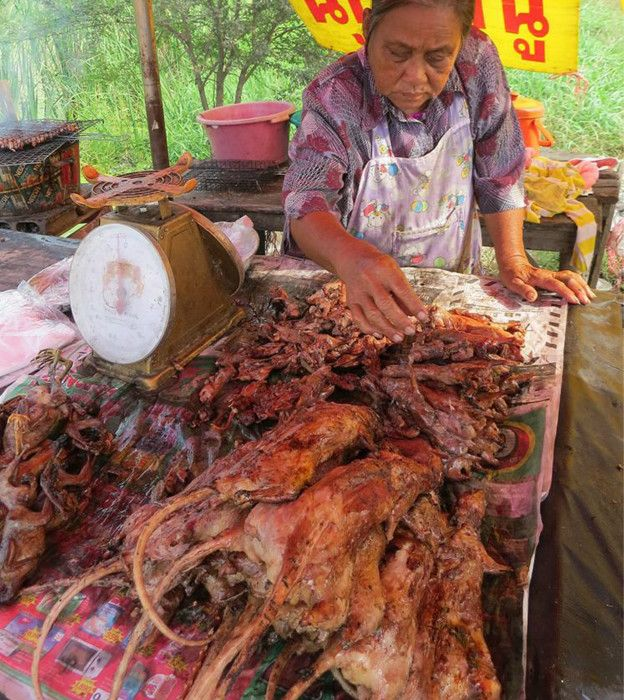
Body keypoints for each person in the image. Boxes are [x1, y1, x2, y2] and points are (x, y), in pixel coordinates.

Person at [282, 0, 594, 343]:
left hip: (449, 294)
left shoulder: (476, 64)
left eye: (437, 57)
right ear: (367, 25)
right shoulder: (335, 96)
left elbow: (501, 172)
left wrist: (514, 259)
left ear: (462, 39)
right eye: (397, 53)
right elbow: (306, 206)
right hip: (355, 297)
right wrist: (351, 259)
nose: (415, 78)